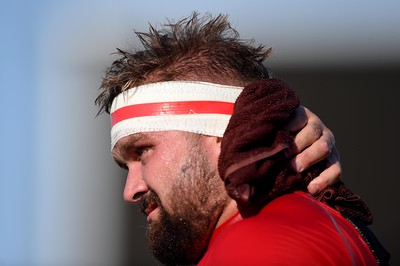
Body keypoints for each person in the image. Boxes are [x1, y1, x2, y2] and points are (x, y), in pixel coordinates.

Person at [96, 12, 388, 265]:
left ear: (225, 133)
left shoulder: (257, 247)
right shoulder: (304, 226)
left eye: (143, 150)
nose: (130, 190)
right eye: (126, 166)